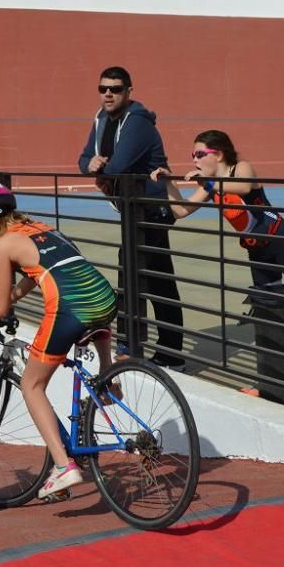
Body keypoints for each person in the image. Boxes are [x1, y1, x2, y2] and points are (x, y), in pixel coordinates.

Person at [0, 182, 118, 499]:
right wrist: (12, 297)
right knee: (94, 312)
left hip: (70, 308)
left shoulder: (3, 245)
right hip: (104, 299)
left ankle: (64, 466)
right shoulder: (43, 229)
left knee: (31, 385)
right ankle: (107, 377)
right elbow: (39, 273)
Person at [77, 66, 186, 371]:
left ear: (128, 92)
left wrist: (99, 168)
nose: (108, 94)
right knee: (157, 279)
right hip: (132, 210)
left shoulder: (137, 123)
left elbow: (119, 166)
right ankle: (169, 351)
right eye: (103, 89)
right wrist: (91, 164)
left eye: (115, 88)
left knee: (135, 276)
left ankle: (133, 348)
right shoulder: (102, 121)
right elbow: (84, 158)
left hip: (149, 211)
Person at [150, 129, 284, 287]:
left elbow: (244, 187)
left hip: (279, 239)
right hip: (256, 249)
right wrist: (169, 181)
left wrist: (208, 183)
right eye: (193, 155)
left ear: (219, 155)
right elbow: (181, 211)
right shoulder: (210, 184)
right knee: (268, 301)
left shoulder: (240, 167)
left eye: (200, 154)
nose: (195, 160)